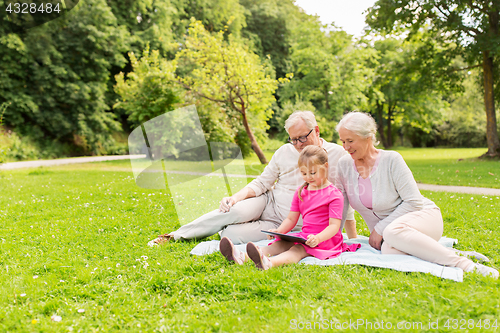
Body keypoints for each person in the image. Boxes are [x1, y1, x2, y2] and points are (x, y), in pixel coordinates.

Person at [148, 111, 358, 246]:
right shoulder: (285, 151)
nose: (299, 144)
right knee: (233, 211)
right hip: (269, 203)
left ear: (317, 130)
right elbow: (262, 182)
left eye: (303, 137)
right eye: (294, 140)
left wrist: (351, 237)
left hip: (291, 224)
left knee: (230, 235)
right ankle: (174, 236)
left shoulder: (337, 155)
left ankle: (225, 230)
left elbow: (344, 199)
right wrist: (235, 197)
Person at [334, 111, 498, 278]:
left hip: (423, 217)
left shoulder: (391, 160)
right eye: (343, 141)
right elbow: (340, 205)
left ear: (368, 137)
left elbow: (414, 202)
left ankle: (466, 265)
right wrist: (332, 238)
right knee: (389, 250)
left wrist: (380, 229)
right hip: (391, 236)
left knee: (391, 232)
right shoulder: (344, 165)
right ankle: (443, 252)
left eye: (350, 141)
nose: (346, 147)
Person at [219, 145, 361, 270]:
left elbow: (334, 227)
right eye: (304, 173)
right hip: (305, 236)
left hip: (325, 240)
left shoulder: (334, 195)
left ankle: (269, 263)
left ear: (326, 166)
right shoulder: (301, 191)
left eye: (313, 173)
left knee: (297, 250)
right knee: (279, 244)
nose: (308, 177)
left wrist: (317, 239)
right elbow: (291, 219)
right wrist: (278, 231)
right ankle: (242, 256)